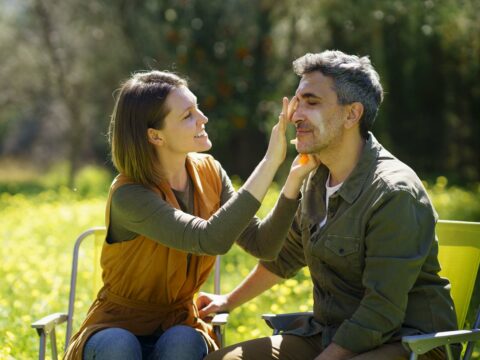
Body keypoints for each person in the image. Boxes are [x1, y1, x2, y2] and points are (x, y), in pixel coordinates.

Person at [200, 50, 458, 360]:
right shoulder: (315, 179)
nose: (295, 115)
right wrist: (228, 300)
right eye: (297, 101)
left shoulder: (393, 192)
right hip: (328, 336)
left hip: (406, 343)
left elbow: (381, 309)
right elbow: (284, 258)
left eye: (311, 102)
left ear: (352, 114)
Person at [64, 70, 317, 360]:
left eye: (197, 108)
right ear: (155, 135)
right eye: (187, 115)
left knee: (182, 340)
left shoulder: (210, 171)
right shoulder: (128, 194)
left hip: (179, 322)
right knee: (120, 345)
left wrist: (292, 183)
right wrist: (271, 161)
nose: (203, 119)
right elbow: (208, 239)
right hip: (115, 326)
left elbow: (264, 246)